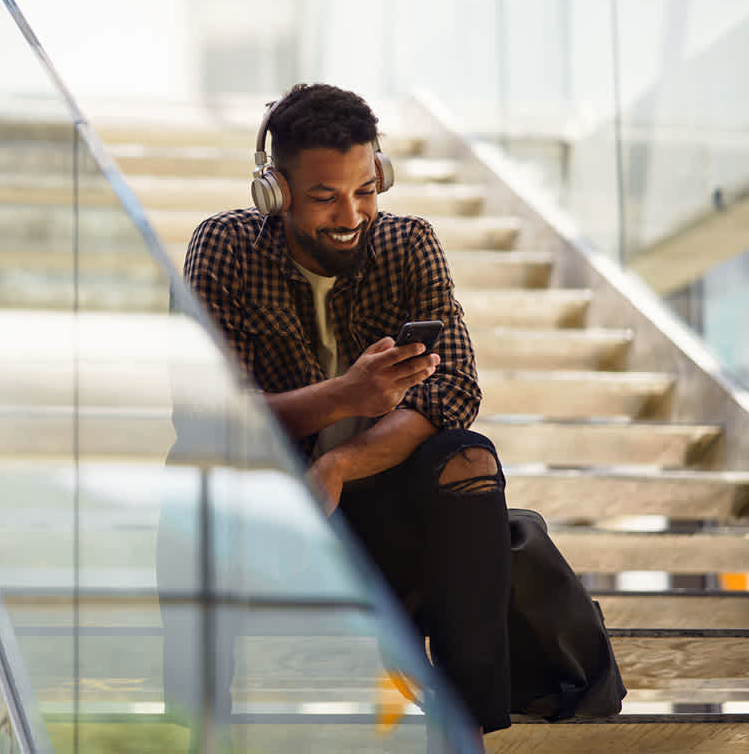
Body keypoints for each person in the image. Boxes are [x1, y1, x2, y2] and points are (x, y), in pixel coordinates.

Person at [176, 83, 512, 745]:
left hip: (384, 508)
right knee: (190, 467)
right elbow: (207, 416)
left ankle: (467, 726)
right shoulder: (225, 248)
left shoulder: (409, 242)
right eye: (326, 195)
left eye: (365, 188)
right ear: (275, 190)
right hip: (269, 516)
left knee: (468, 456)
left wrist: (339, 462)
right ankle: (203, 725)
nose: (352, 213)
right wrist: (347, 397)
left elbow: (454, 392)